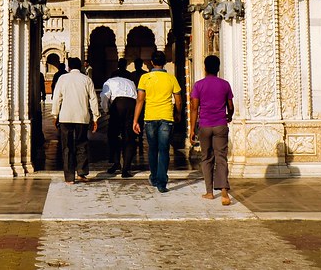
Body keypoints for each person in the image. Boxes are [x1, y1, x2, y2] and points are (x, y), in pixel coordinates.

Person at [133, 50, 181, 193]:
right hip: (166, 117)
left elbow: (140, 100)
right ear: (164, 62)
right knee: (164, 149)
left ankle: (154, 177)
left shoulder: (145, 78)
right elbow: (178, 100)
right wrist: (178, 114)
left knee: (152, 149)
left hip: (150, 117)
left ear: (152, 62)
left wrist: (135, 120)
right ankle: (162, 182)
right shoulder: (171, 78)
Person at [189, 55, 235, 205]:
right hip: (221, 124)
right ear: (218, 68)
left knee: (206, 158)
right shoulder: (225, 84)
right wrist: (229, 116)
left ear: (205, 67)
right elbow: (231, 106)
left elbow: (195, 108)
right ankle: (224, 191)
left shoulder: (199, 85)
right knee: (221, 158)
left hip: (205, 126)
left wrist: (192, 129)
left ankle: (209, 192)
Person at [50, 57, 100, 184]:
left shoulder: (62, 79)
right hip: (82, 117)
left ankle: (69, 177)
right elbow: (93, 99)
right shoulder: (86, 79)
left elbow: (57, 98)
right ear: (81, 67)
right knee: (81, 144)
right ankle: (81, 173)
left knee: (67, 146)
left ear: (69, 67)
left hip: (65, 117)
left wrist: (55, 115)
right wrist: (96, 117)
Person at [101, 67, 138, 177]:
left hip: (118, 105)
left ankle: (116, 162)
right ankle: (126, 168)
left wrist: (106, 110)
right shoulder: (131, 82)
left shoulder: (110, 81)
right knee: (129, 137)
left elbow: (104, 96)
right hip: (131, 105)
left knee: (113, 135)